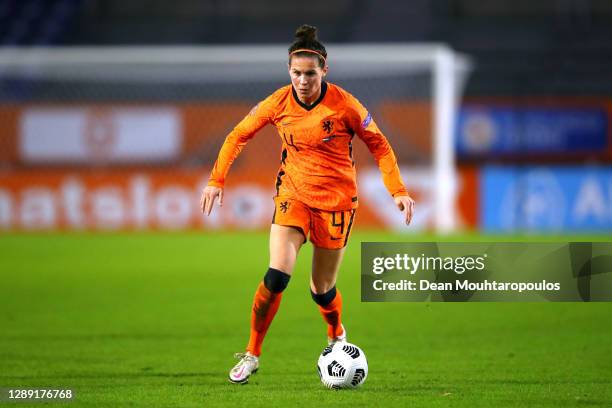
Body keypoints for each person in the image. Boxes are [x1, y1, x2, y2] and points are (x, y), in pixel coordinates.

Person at [200, 24, 415, 384]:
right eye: (296, 73)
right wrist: (215, 179)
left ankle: (336, 336)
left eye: (310, 73)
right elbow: (237, 135)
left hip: (336, 203)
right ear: (289, 70)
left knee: (322, 290)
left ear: (324, 70)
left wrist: (398, 190)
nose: (302, 80)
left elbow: (379, 144)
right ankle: (252, 352)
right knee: (277, 274)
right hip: (293, 196)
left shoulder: (345, 105)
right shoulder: (278, 102)